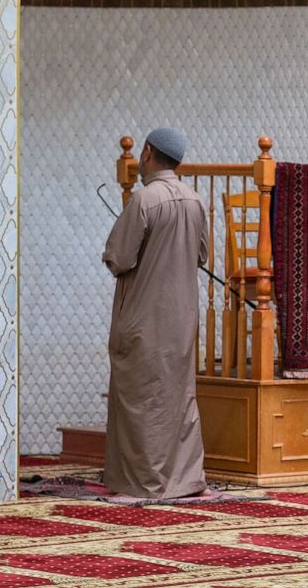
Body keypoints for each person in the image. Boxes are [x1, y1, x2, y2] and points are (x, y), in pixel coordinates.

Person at [102, 127, 209, 499]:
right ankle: (184, 479)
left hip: (145, 317)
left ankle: (143, 482)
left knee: (142, 398)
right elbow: (201, 255)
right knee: (177, 398)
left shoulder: (145, 200)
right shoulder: (195, 201)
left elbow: (119, 258)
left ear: (147, 152)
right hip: (182, 319)